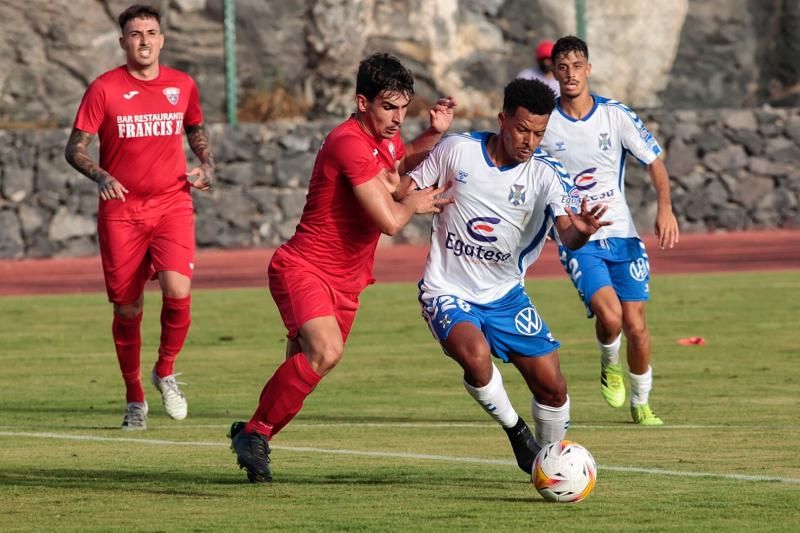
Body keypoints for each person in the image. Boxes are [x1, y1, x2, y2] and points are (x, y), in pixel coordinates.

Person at [228, 52, 457, 483]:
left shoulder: (385, 137)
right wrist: (414, 202)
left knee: (307, 370)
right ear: (362, 102)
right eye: (389, 107)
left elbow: (399, 162)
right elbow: (389, 220)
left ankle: (253, 434)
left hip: (346, 283)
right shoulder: (348, 142)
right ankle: (254, 435)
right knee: (326, 351)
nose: (397, 118)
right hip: (305, 268)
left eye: (404, 108)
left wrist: (431, 133)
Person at [402, 78, 610, 474]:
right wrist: (407, 198)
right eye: (522, 130)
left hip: (506, 295)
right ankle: (517, 432)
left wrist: (581, 232)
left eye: (539, 133)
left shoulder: (547, 176)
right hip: (447, 290)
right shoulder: (457, 151)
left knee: (553, 385)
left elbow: (567, 231)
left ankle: (550, 465)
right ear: (502, 120)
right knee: (476, 357)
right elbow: (403, 188)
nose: (530, 141)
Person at [65, 4, 215, 430]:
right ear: (123, 42)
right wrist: (99, 173)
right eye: (135, 34)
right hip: (122, 212)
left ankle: (165, 369)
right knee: (128, 310)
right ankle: (134, 397)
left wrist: (206, 165)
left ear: (162, 39)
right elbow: (75, 148)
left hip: (172, 204)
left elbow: (195, 129)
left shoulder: (182, 84)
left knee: (178, 289)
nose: (145, 40)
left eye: (151, 32)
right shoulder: (104, 89)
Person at [539, 35, 680, 425]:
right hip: (578, 237)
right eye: (562, 67)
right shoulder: (545, 122)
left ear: (589, 69)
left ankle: (641, 403)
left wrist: (664, 209)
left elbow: (654, 161)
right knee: (612, 318)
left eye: (577, 65)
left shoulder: (615, 115)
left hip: (623, 234)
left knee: (636, 324)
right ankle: (608, 362)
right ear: (554, 72)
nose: (570, 74)